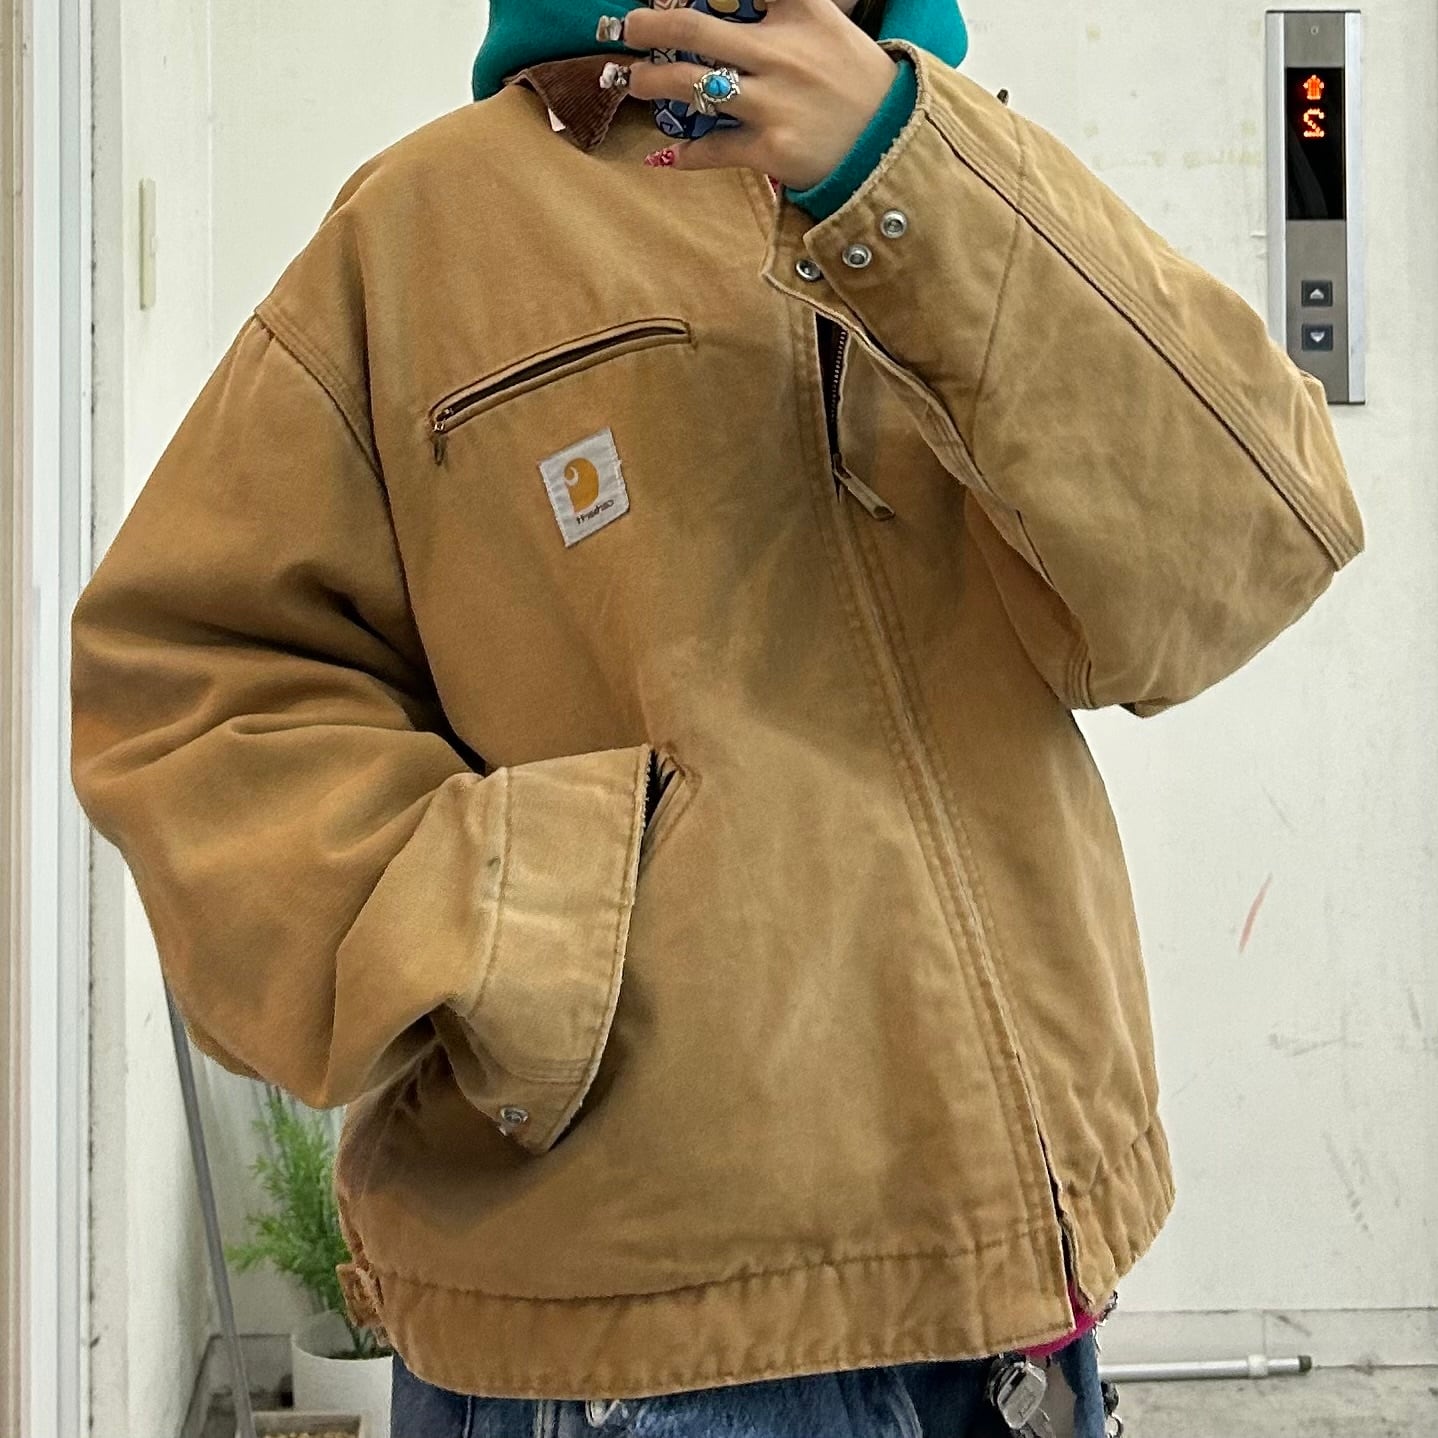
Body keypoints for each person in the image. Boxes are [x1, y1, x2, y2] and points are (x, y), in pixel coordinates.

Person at [68, 0, 1365, 1434]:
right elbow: (190, 682)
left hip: (1020, 1307)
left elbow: (1249, 550)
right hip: (626, 1338)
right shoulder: (428, 223)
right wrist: (512, 924)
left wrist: (902, 171)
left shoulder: (982, 173)